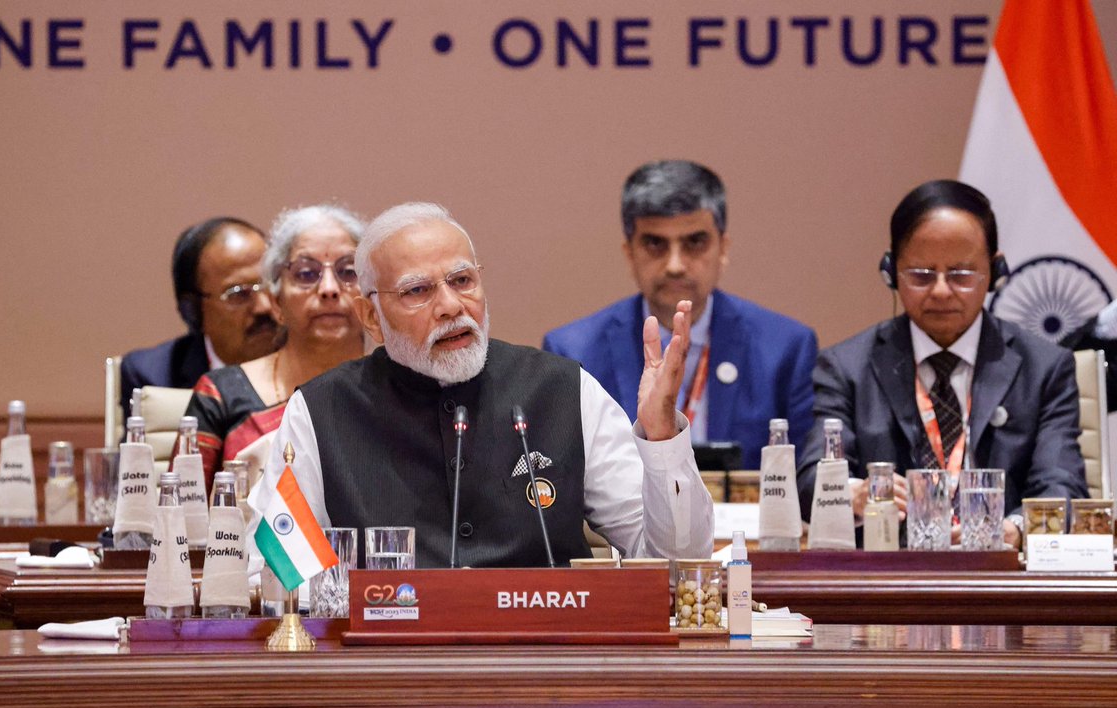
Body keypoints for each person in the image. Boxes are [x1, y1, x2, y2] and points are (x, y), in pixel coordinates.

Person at [251, 202, 714, 568]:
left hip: (545, 664)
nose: (451, 305)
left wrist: (662, 442)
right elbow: (273, 567)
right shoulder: (321, 411)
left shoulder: (564, 390)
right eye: (418, 290)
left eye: (462, 280)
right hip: (392, 668)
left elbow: (676, 562)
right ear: (371, 316)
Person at [797, 180, 1087, 543]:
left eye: (961, 275)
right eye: (920, 275)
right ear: (891, 272)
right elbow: (810, 480)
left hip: (999, 577)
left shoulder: (1044, 368)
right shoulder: (845, 367)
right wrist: (852, 494)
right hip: (884, 580)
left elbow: (1063, 486)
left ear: (995, 273)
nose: (940, 291)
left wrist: (1014, 530)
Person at [542, 160, 818, 469]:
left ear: (723, 248)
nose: (675, 264)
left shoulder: (785, 349)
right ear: (629, 253)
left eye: (695, 242)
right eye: (655, 243)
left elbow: (805, 476)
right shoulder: (573, 353)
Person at [176, 205, 368, 491]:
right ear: (275, 302)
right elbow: (178, 521)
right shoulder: (220, 397)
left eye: (348, 271)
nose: (329, 288)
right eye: (306, 273)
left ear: (373, 300)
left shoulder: (401, 395)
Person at [120, 217, 280, 415]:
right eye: (238, 293)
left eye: (270, 284)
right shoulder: (155, 379)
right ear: (193, 311)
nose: (263, 306)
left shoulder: (312, 363)